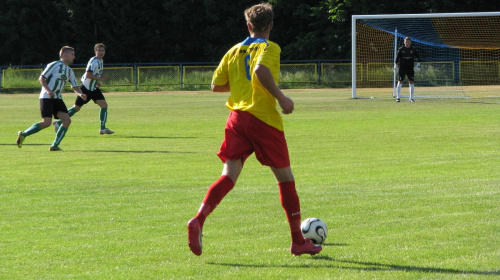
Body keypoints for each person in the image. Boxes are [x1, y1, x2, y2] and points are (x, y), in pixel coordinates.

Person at [187, 3, 322, 257]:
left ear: (248, 26)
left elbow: (216, 86)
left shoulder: (234, 50)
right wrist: (282, 98)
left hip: (236, 119)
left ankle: (198, 218)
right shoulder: (270, 47)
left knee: (228, 176)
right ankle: (297, 241)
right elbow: (260, 70)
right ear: (270, 25)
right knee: (286, 179)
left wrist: (241, 86)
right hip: (262, 120)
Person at [16, 46, 87, 151]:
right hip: (46, 97)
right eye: (72, 54)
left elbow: (74, 85)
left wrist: (80, 94)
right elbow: (42, 77)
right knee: (46, 122)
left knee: (67, 120)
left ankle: (54, 146)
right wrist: (48, 90)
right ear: (65, 54)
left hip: (58, 98)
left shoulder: (70, 71)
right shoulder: (54, 65)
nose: (74, 57)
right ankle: (24, 134)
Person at [53, 43, 113, 135]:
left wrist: (96, 82)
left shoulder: (100, 60)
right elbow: (88, 74)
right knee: (76, 108)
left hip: (93, 88)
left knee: (104, 105)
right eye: (99, 50)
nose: (101, 52)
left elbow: (92, 75)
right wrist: (101, 79)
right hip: (85, 88)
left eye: (102, 50)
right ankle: (59, 122)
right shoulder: (94, 61)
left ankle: (102, 128)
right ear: (95, 51)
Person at [394, 37, 421, 102]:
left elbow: (418, 57)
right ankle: (398, 98)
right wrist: (395, 66)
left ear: (410, 42)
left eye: (408, 42)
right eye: (406, 42)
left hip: (410, 68)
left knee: (411, 81)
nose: (407, 43)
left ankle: (411, 98)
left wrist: (418, 64)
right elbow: (397, 59)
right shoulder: (401, 49)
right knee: (400, 81)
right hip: (402, 68)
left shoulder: (413, 49)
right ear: (404, 42)